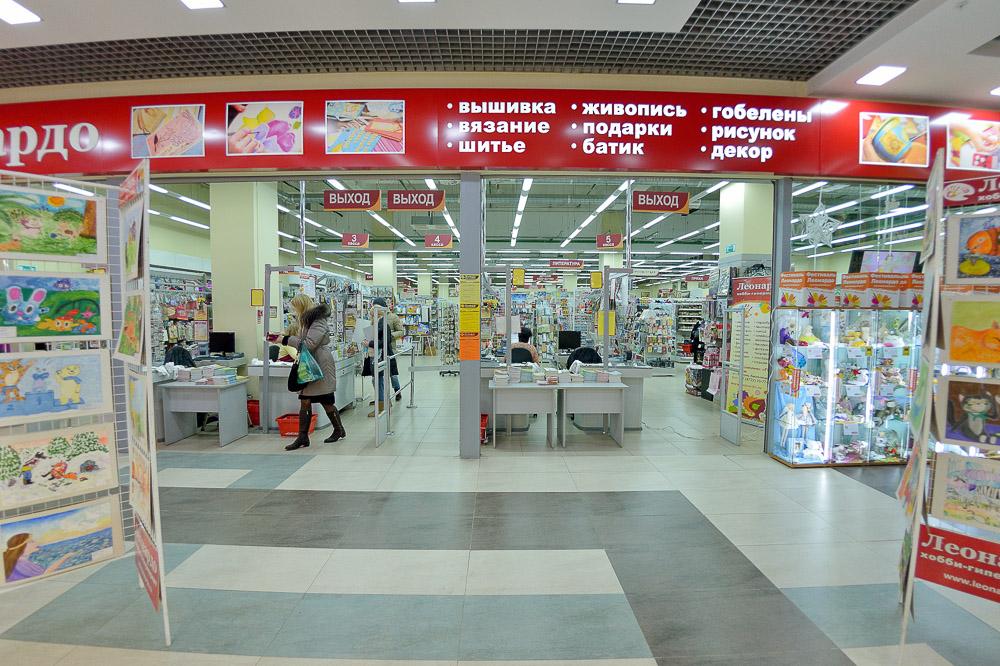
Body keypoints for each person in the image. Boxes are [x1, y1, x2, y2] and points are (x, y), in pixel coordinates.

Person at [266, 294, 345, 450]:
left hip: (319, 365)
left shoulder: (317, 320)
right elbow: (303, 341)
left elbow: (309, 344)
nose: (293, 310)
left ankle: (338, 429)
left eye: (295, 307)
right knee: (305, 399)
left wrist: (285, 339)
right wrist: (284, 337)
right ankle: (303, 436)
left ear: (301, 306)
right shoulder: (306, 320)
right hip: (309, 364)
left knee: (326, 400)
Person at [363, 302, 399, 417]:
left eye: (371, 315)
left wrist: (369, 343)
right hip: (377, 355)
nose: (370, 317)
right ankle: (384, 402)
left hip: (380, 356)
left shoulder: (382, 324)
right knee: (378, 380)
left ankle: (381, 406)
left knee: (378, 380)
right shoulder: (379, 324)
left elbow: (384, 341)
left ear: (376, 314)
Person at [4, 533, 75, 583]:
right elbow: (46, 574)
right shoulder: (22, 563)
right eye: (31, 541)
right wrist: (66, 557)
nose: (36, 543)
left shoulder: (15, 561)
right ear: (22, 546)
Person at [372, 297, 404, 402]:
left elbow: (401, 331)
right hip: (378, 350)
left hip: (390, 349)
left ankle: (397, 390)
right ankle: (382, 398)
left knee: (392, 373)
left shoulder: (393, 317)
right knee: (379, 374)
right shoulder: (373, 317)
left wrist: (389, 335)